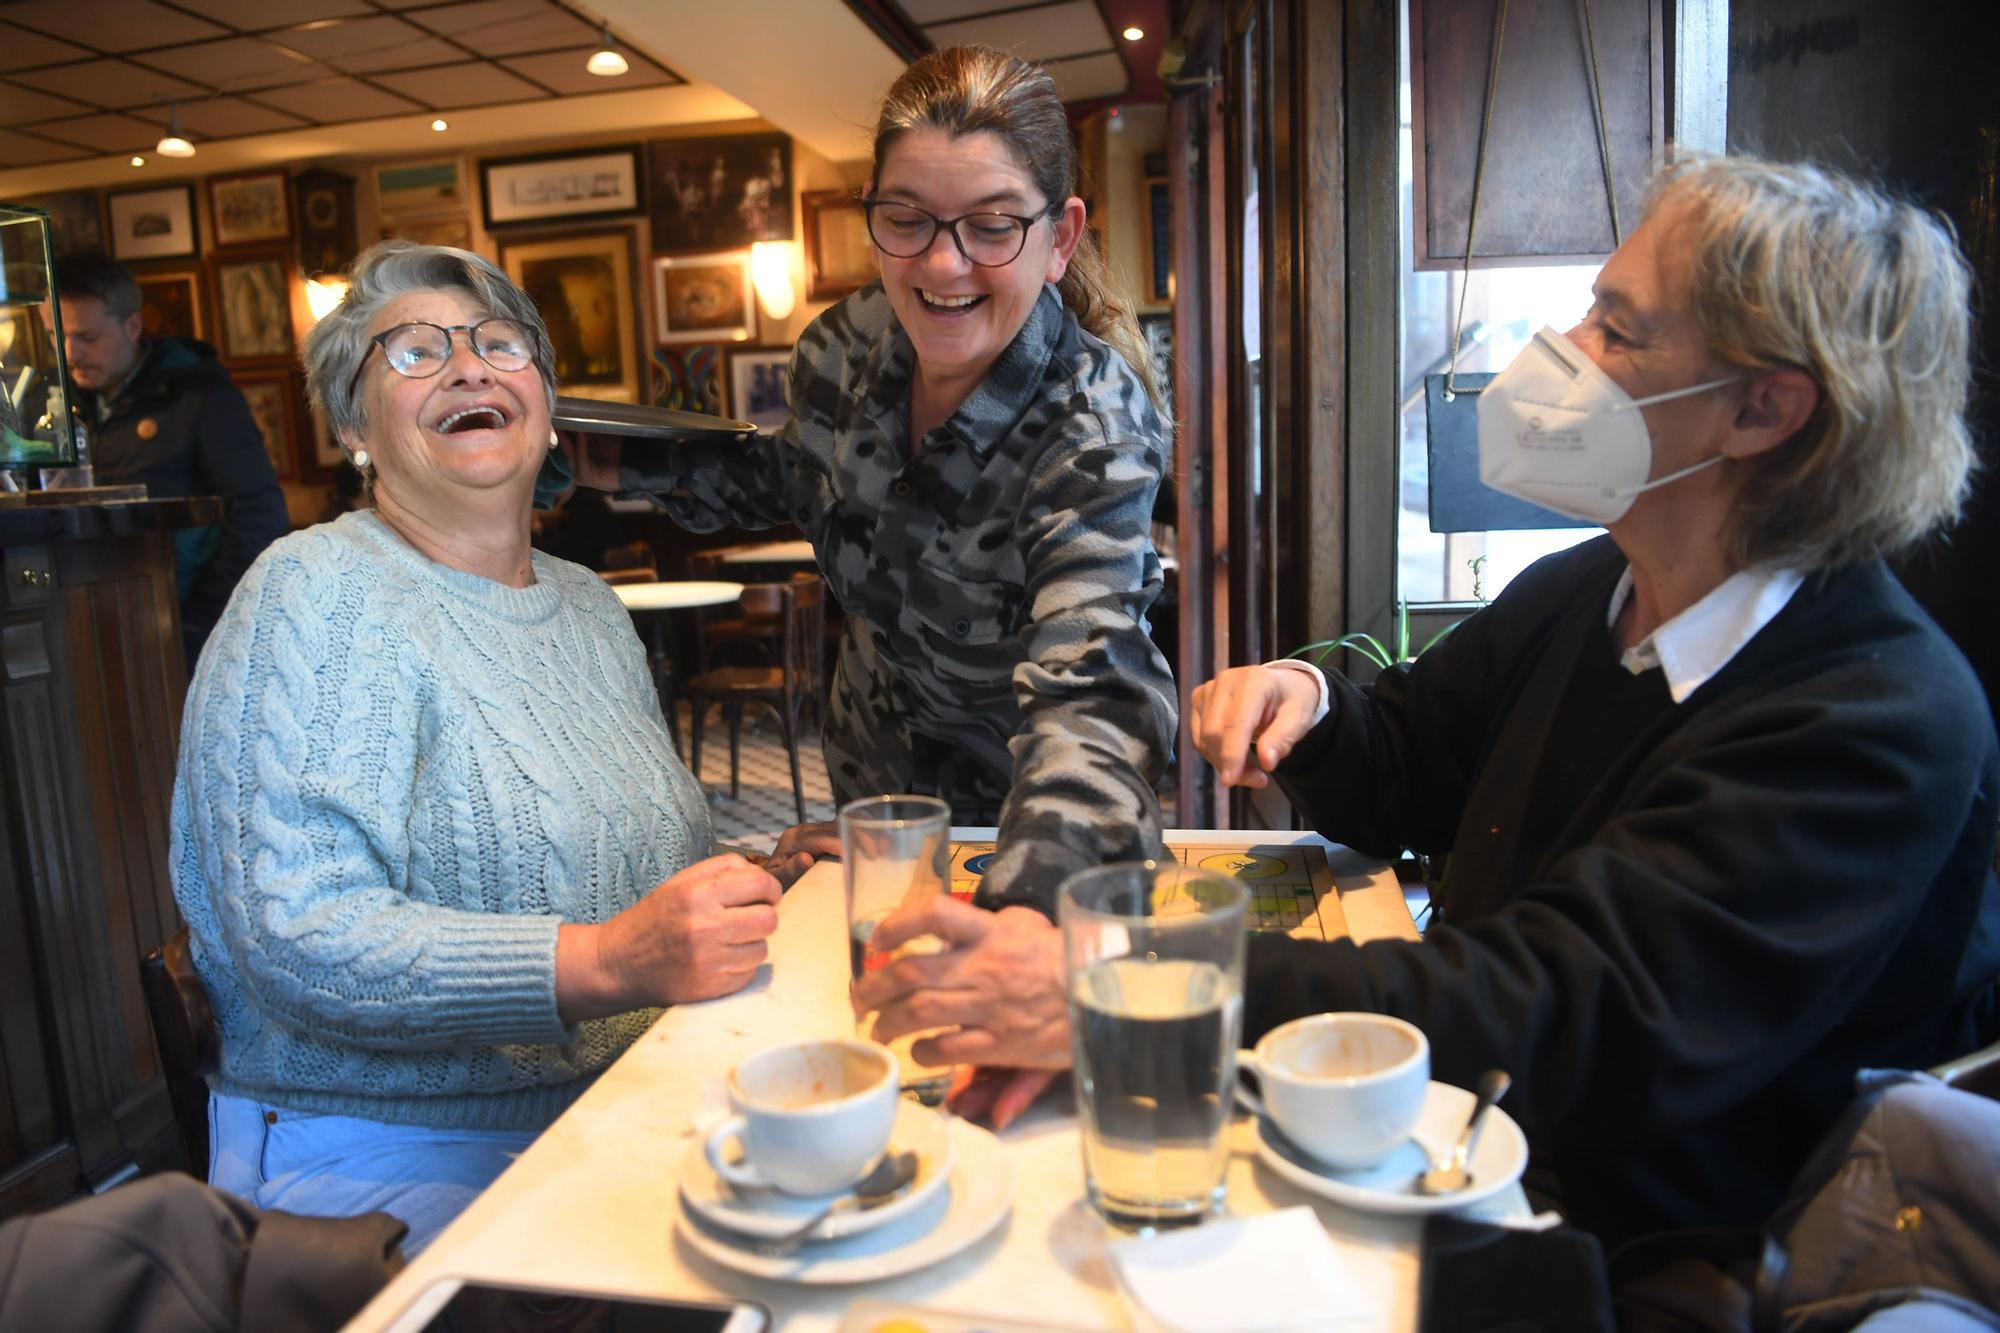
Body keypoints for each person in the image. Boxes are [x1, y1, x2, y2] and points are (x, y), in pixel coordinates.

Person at [853, 155, 2000, 1245]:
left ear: (1760, 411)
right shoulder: (1594, 585)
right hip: (1448, 1137)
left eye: (1616, 324)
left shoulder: (1873, 719)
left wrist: (1136, 992)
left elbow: (1560, 1010)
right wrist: (1312, 699)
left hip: (1640, 1247)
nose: (1564, 348)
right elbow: (1413, 762)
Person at [172, 241, 794, 1254]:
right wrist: (598, 961)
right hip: (388, 1154)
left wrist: (759, 878)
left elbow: (625, 871)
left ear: (544, 403)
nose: (469, 367)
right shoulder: (314, 590)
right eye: (413, 353)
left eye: (501, 344)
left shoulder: (587, 605)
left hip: (620, 1104)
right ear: (349, 425)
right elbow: (298, 931)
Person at [555, 45, 1176, 912]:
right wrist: (628, 460)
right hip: (872, 791)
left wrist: (1036, 911)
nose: (943, 264)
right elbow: (795, 481)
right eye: (908, 218)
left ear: (1060, 237)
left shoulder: (1093, 422)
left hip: (1030, 821)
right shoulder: (843, 347)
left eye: (993, 225)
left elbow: (1096, 678)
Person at [54, 251, 289, 665]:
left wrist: (198, 622)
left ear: (132, 326)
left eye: (88, 338)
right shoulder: (58, 405)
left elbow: (258, 514)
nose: (70, 353)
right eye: (60, 336)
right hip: (92, 631)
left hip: (186, 632)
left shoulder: (199, 393)